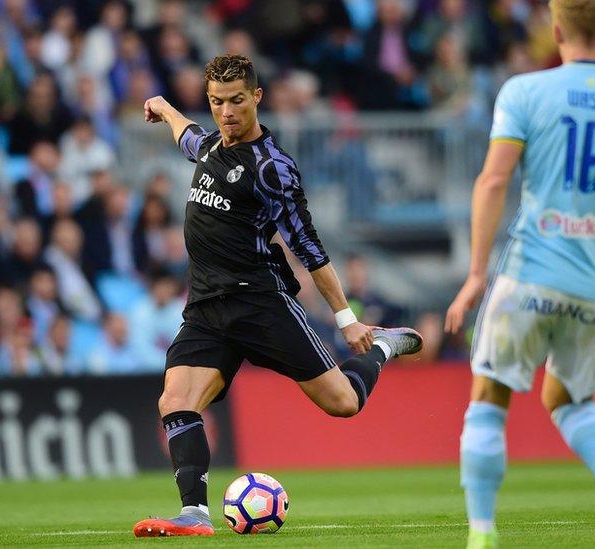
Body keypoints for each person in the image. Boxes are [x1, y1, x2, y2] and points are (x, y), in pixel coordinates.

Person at [133, 54, 423, 537]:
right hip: (206, 305)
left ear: (257, 98)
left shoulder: (273, 169)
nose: (226, 112)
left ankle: (382, 346)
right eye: (216, 102)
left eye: (236, 101)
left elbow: (309, 247)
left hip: (260, 302)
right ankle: (194, 514)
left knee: (343, 403)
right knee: (175, 399)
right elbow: (187, 135)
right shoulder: (209, 148)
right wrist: (164, 109)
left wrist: (348, 318)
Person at [444, 1, 595, 547]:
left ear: (554, 31)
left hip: (531, 271)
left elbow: (492, 181)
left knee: (488, 399)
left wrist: (477, 273)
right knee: (572, 400)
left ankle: (482, 534)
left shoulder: (524, 92)